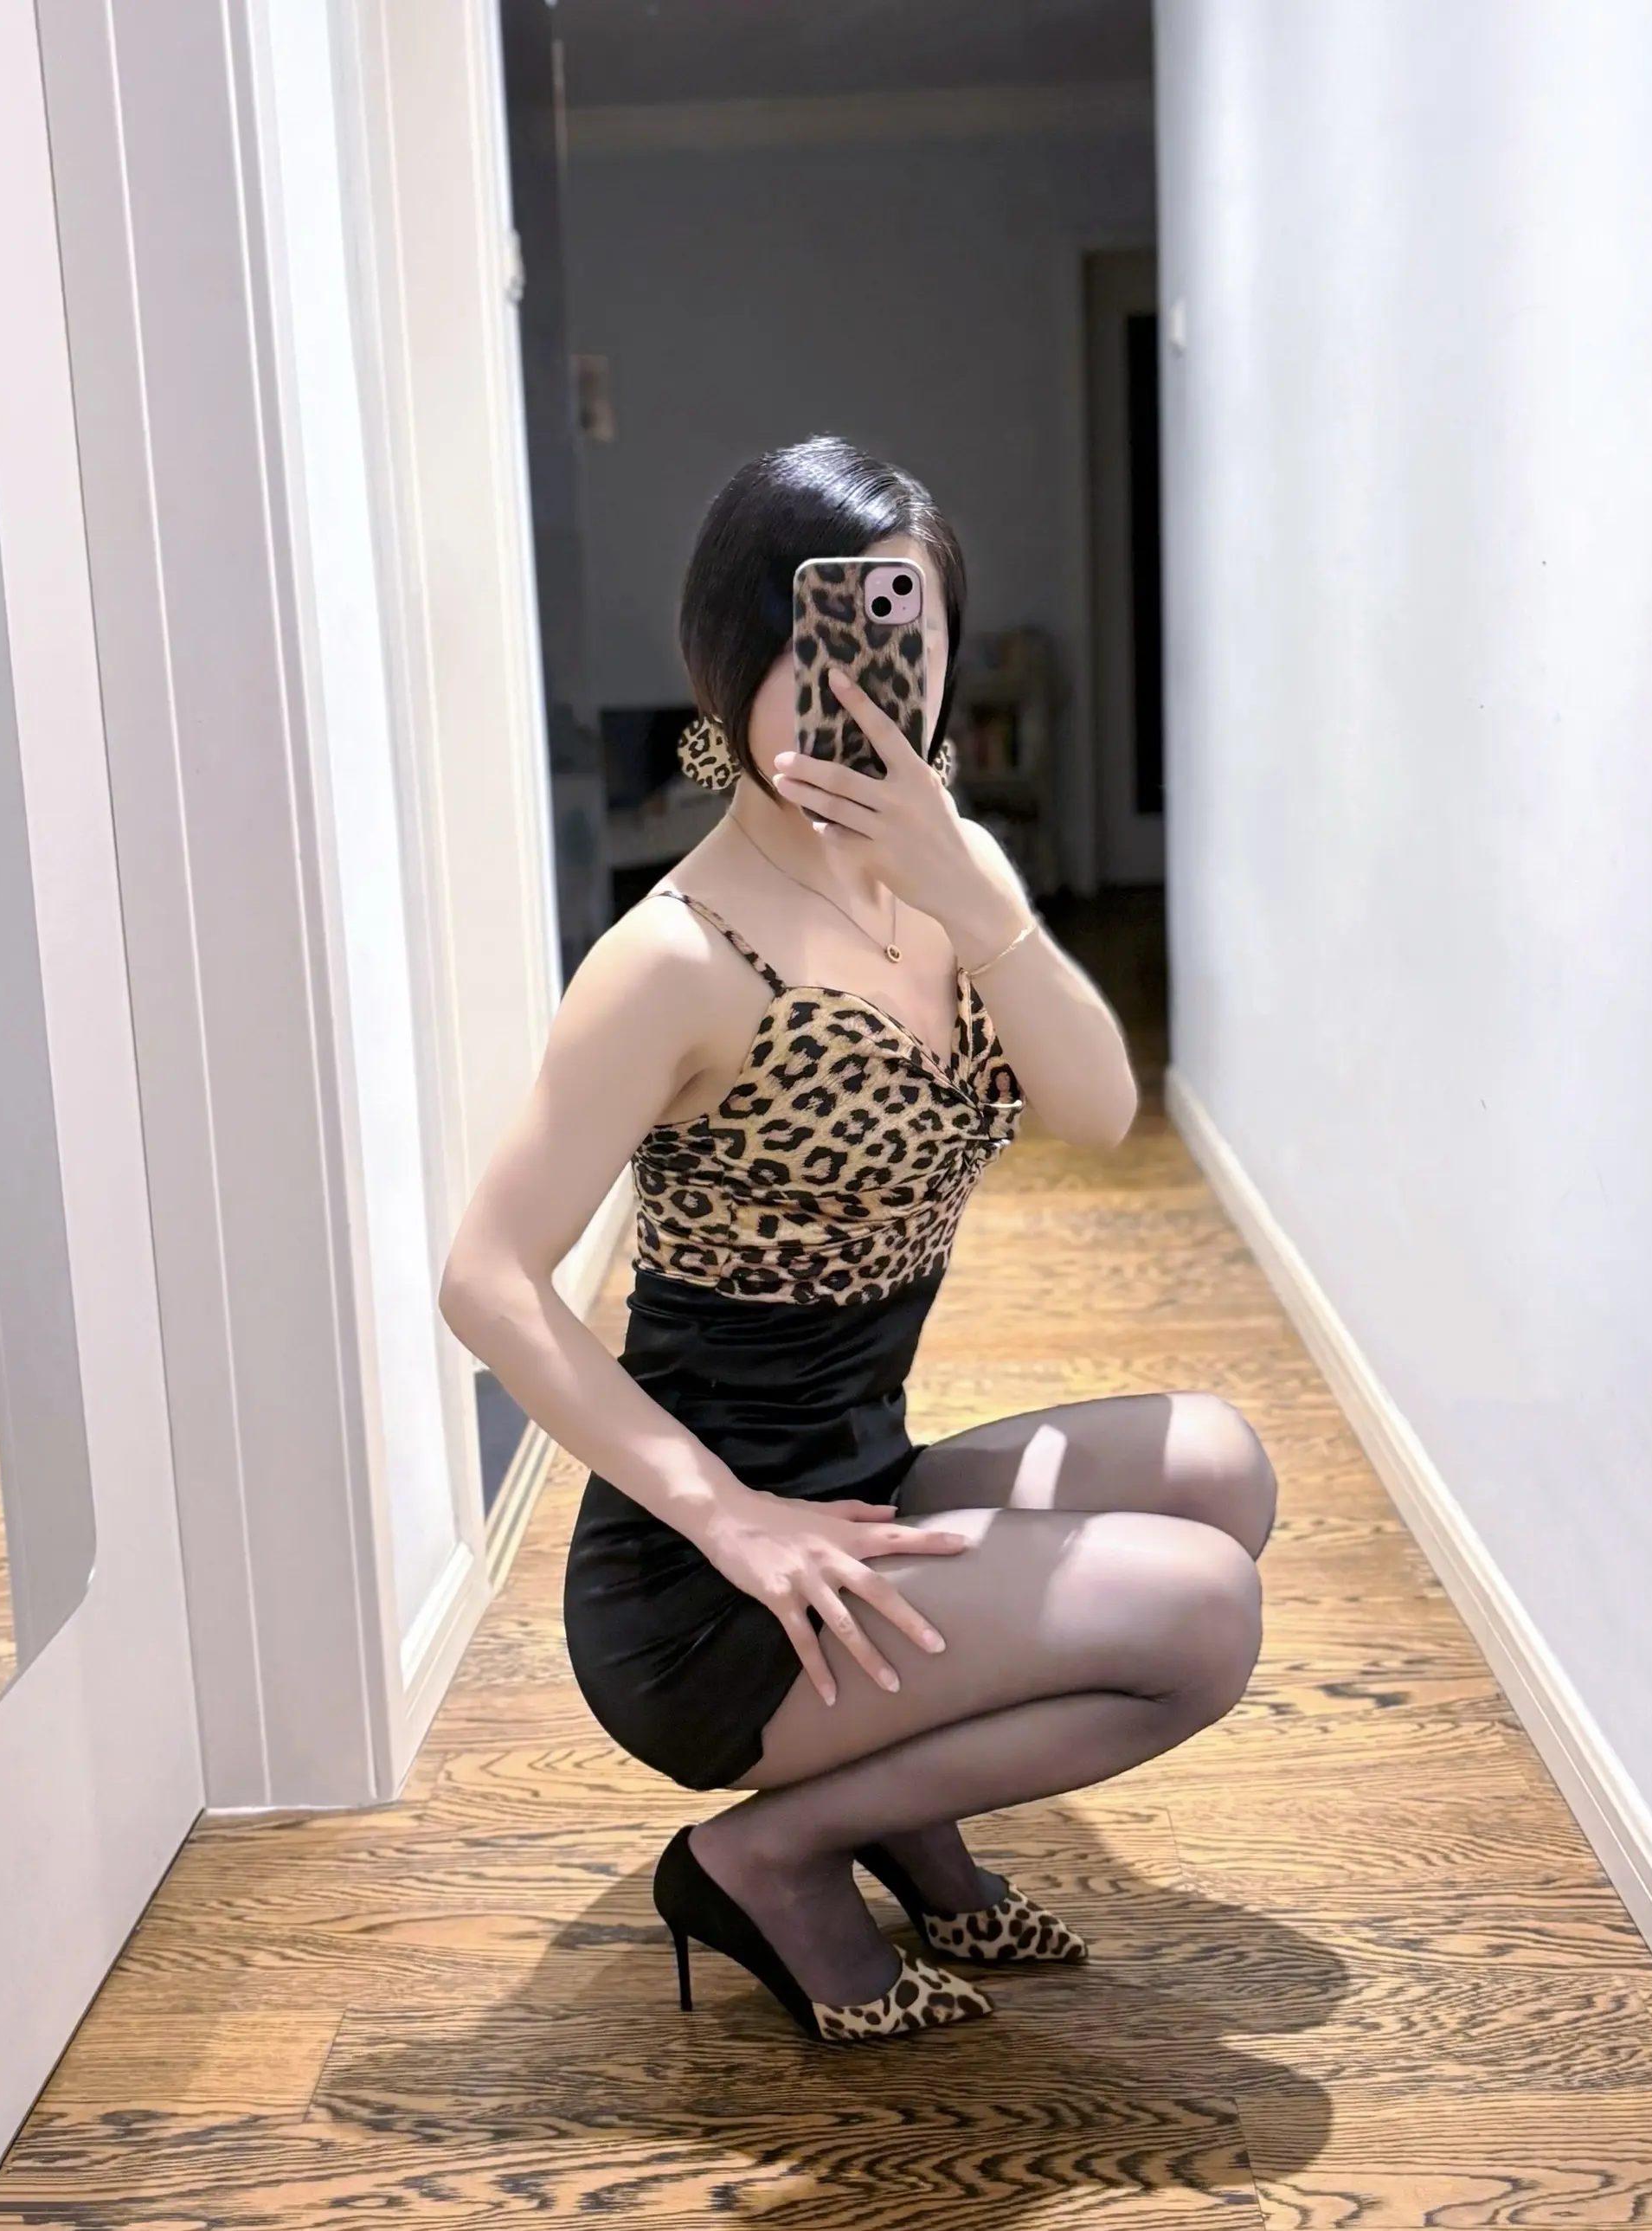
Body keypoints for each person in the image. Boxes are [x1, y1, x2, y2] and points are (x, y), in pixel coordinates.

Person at [439, 435, 1275, 2045]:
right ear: (735, 655)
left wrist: (971, 888)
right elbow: (485, 1275)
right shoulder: (677, 956)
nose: (865, 682)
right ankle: (772, 1850)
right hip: (714, 1587)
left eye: (908, 633)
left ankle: (899, 1802)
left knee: (1221, 1468)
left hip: (868, 1484)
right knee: (1200, 1617)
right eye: (817, 637)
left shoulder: (946, 886)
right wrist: (732, 1518)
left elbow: (1100, 1108)